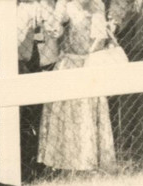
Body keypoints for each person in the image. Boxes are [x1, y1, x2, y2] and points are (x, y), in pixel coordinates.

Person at [37, 0, 117, 173]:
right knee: (64, 113)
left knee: (86, 112)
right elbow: (55, 30)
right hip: (68, 63)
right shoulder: (67, 5)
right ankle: (63, 164)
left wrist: (89, 58)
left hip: (88, 63)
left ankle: (88, 162)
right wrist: (57, 20)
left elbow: (99, 38)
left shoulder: (97, 5)